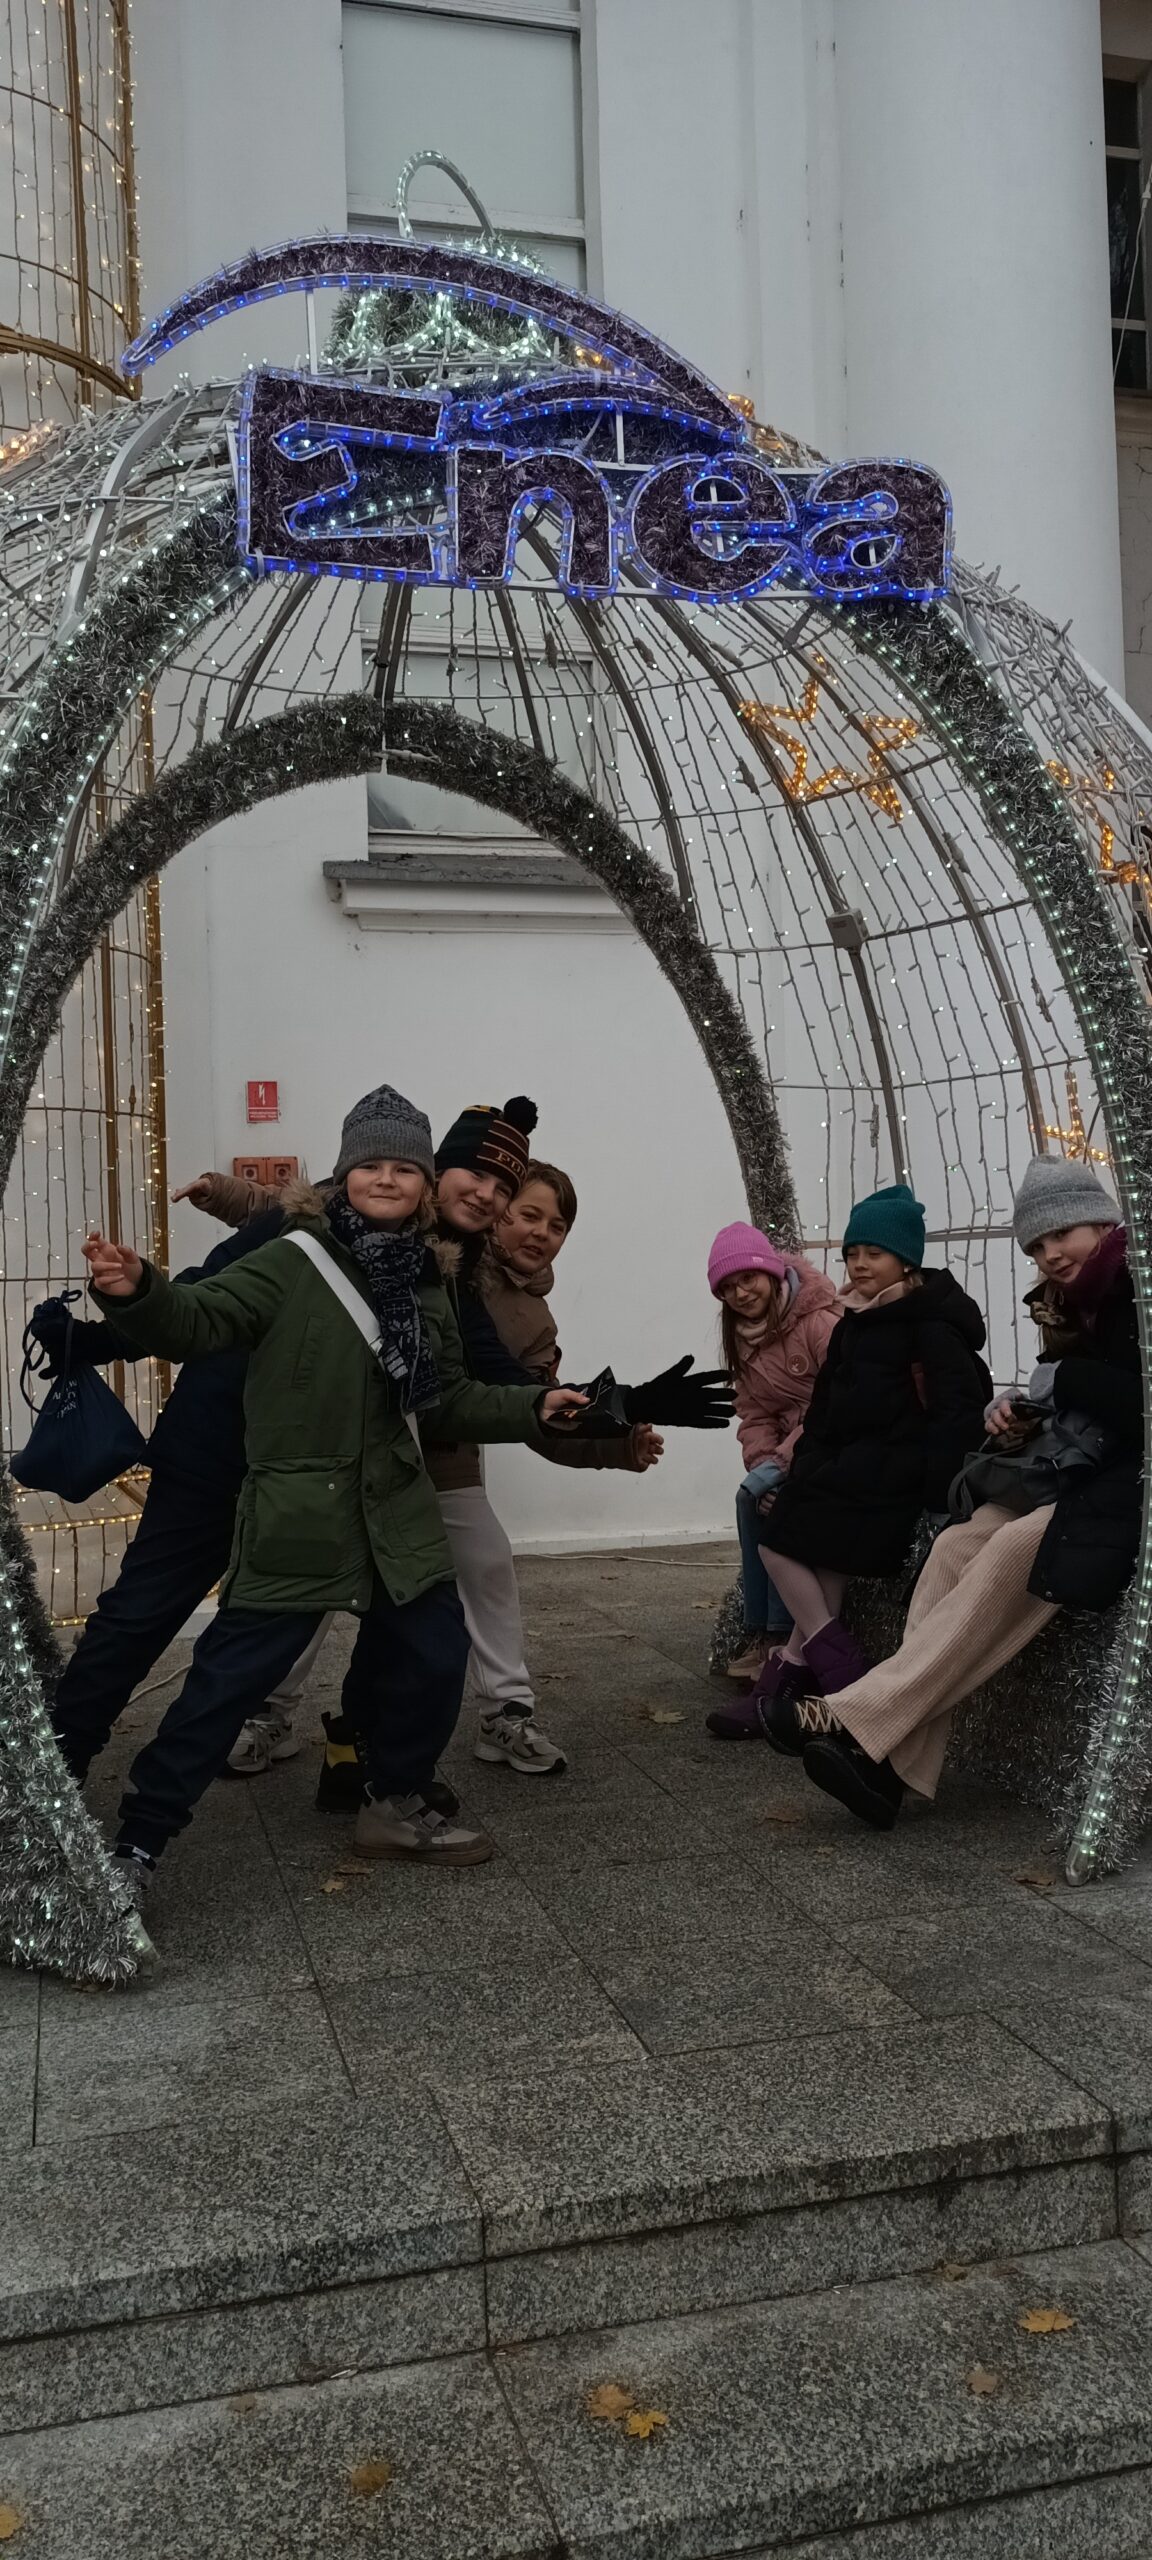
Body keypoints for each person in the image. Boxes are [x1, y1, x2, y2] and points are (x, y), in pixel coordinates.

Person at [74, 1083, 590, 1902]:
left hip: (376, 1500)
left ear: (424, 1182)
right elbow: (198, 1312)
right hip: (263, 1483)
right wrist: (133, 1292)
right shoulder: (295, 1252)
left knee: (430, 1643)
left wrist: (543, 1406)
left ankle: (392, 1794)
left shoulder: (432, 1276)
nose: (389, 1179)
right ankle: (102, 1809)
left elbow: (453, 1391)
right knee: (199, 1651)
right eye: (371, 1164)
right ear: (347, 1173)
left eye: (403, 1168)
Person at [771, 1157, 1142, 1832]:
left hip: (1129, 1486)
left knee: (1013, 1547)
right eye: (1037, 1245)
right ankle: (887, 1771)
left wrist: (1063, 1382)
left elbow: (1135, 1403)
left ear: (1103, 1221)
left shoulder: (1137, 1287)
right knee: (952, 1548)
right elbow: (1075, 1399)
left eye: (1062, 1234)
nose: (1051, 1254)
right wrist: (1022, 1412)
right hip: (1076, 1473)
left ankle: (854, 1714)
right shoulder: (1073, 1302)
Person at [37, 1208, 327, 1783]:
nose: (388, 1179)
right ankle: (56, 1773)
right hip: (212, 1450)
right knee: (137, 1614)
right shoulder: (292, 1220)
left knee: (253, 1633)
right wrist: (98, 1338)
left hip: (312, 1475)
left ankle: (163, 1791)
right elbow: (194, 1300)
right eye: (375, 1167)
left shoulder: (426, 1255)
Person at [738, 1182, 991, 1738]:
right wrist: (807, 1461)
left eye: (874, 1253)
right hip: (850, 1465)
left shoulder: (929, 1324)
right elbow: (825, 1409)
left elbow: (956, 1413)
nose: (860, 1263)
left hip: (896, 1473)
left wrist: (939, 1497)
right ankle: (796, 1677)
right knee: (808, 1545)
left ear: (905, 1260)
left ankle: (836, 1674)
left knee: (778, 1541)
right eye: (852, 1252)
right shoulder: (854, 1319)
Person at [701, 1221, 841, 1737]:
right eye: (728, 1287)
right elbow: (753, 1412)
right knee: (750, 1497)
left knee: (766, 1499)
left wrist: (779, 1464)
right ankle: (762, 1632)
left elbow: (836, 1400)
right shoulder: (743, 1340)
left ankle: (781, 1636)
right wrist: (764, 1461)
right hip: (789, 1450)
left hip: (829, 1440)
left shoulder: (818, 1321)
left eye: (748, 1279)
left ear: (772, 1272)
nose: (741, 1293)